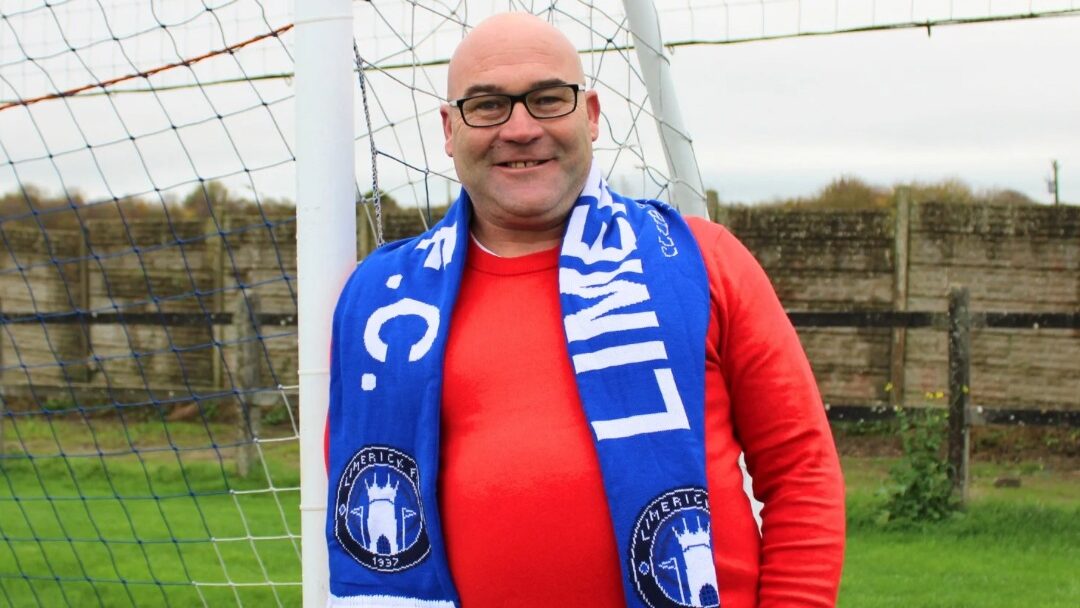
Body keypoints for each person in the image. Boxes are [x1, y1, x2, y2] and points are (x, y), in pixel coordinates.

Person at [325, 12, 844, 608]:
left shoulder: (705, 261)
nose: (519, 129)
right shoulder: (382, 301)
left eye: (548, 99)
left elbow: (802, 473)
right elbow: (356, 489)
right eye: (488, 105)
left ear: (591, 115)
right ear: (448, 129)